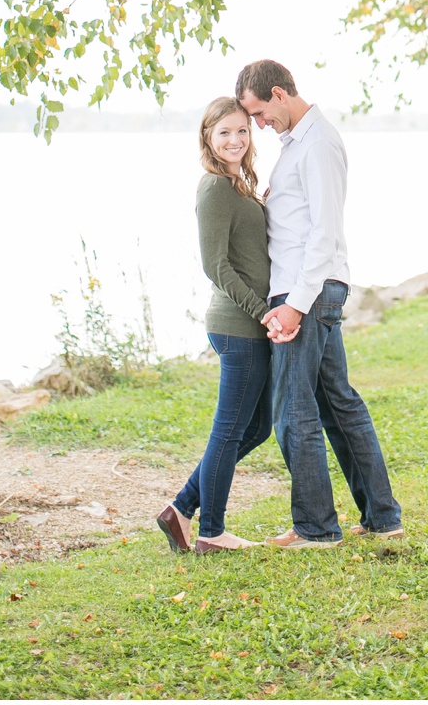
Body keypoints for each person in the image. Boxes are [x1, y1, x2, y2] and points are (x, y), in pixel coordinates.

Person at [236, 59, 403, 548]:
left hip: (305, 290)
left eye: (261, 113)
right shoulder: (296, 146)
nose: (260, 125)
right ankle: (382, 517)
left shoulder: (319, 143)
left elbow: (325, 232)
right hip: (309, 288)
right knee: (338, 404)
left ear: (279, 94)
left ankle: (316, 528)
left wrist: (295, 305)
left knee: (293, 409)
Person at [157, 97, 275, 554]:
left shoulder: (237, 185)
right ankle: (212, 531)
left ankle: (181, 508)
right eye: (224, 132)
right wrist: (261, 310)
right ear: (207, 136)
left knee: (257, 426)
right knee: (228, 430)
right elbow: (216, 267)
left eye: (242, 131)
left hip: (249, 326)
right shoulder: (214, 188)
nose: (234, 140)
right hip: (238, 326)